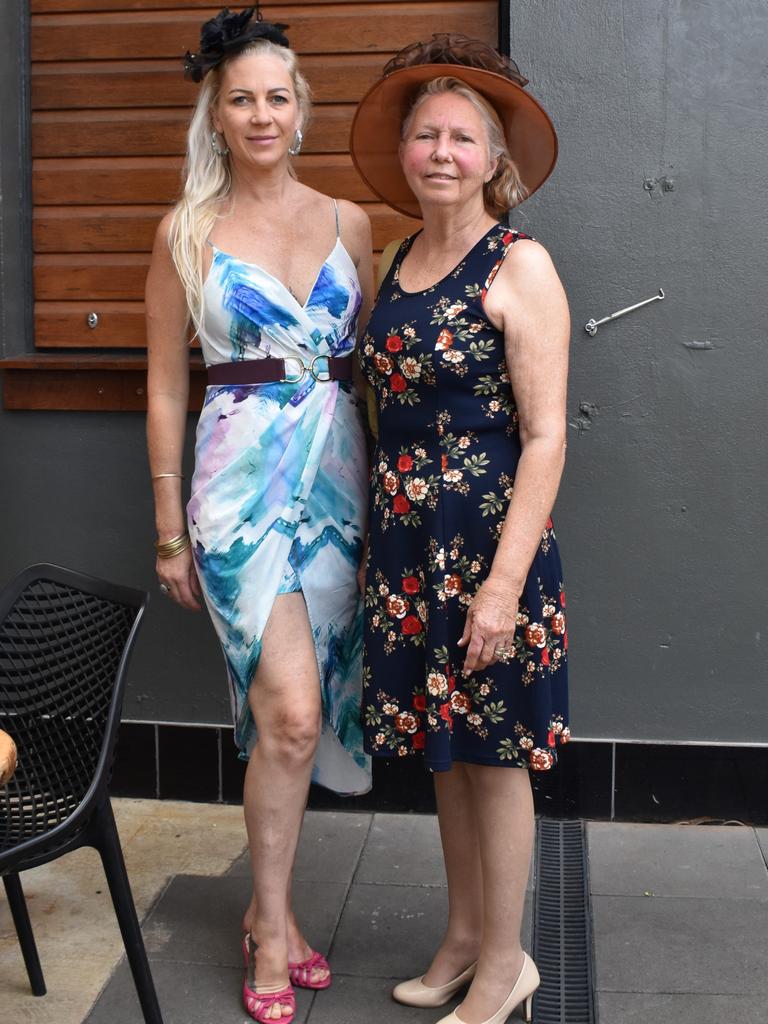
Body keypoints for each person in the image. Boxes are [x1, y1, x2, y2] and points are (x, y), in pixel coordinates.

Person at [145, 8, 372, 1022]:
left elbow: (373, 367)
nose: (261, 112)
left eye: (277, 95)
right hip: (236, 487)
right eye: (241, 97)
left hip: (336, 481)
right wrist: (168, 527)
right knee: (285, 708)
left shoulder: (350, 222)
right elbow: (161, 388)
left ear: (301, 108)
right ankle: (270, 926)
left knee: (302, 718)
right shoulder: (185, 232)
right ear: (218, 112)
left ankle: (268, 911)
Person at [350, 34, 570, 1024]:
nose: (441, 151)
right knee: (446, 751)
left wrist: (500, 587)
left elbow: (548, 437)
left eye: (463, 137)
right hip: (406, 546)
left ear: (495, 159)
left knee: (494, 751)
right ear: (406, 150)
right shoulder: (391, 260)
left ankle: (506, 963)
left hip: (485, 547)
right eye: (425, 134)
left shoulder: (520, 265)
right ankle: (463, 936)